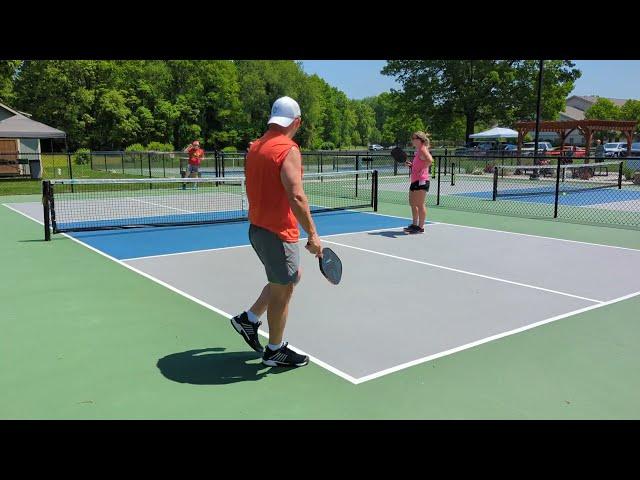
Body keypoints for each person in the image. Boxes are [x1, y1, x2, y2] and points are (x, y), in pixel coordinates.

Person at [230, 96, 322, 368]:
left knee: (292, 276)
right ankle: (274, 350)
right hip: (278, 232)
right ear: (297, 122)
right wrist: (313, 234)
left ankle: (249, 318)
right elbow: (296, 195)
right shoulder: (288, 149)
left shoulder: (256, 147)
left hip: (257, 230)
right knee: (283, 292)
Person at [403, 131, 433, 234]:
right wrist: (412, 165)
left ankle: (421, 227)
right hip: (415, 180)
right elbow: (419, 164)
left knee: (420, 204)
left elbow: (430, 160)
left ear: (419, 140)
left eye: (414, 138)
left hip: (421, 181)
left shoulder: (422, 149)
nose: (412, 139)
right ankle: (414, 225)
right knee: (412, 203)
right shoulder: (418, 151)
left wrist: (422, 169)